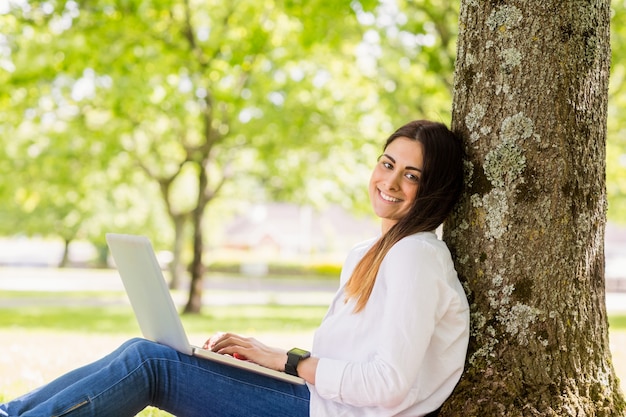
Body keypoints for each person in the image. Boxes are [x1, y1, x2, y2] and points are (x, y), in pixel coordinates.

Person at [0, 119, 470, 417]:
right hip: (318, 404)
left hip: (322, 413)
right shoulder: (371, 252)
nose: (389, 182)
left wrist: (286, 361)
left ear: (436, 189)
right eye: (387, 164)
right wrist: (272, 359)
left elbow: (387, 385)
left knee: (150, 365)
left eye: (412, 176)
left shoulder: (416, 256)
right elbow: (355, 365)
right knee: (144, 349)